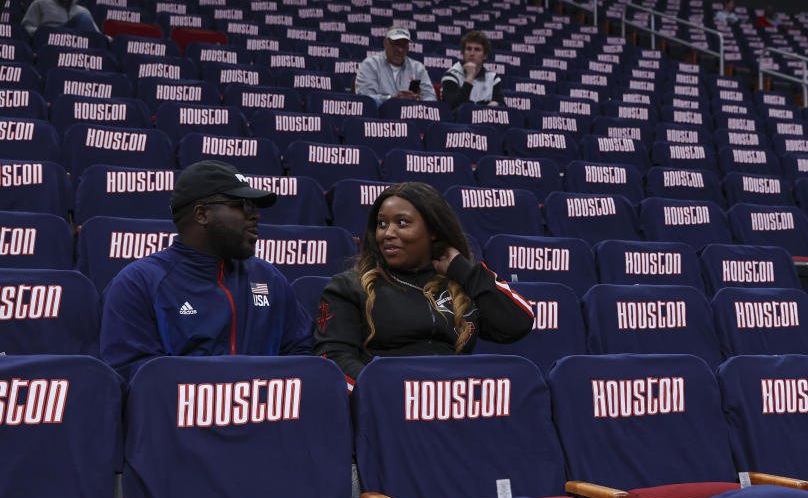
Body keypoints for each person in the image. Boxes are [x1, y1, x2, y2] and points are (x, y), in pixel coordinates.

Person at [100, 160, 313, 380]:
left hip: (264, 412)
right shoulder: (138, 283)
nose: (255, 215)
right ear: (202, 214)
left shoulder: (269, 278)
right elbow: (136, 379)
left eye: (254, 207)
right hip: (181, 413)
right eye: (242, 205)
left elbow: (301, 354)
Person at [313, 182, 534, 383]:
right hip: (387, 408)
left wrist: (464, 270)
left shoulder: (460, 283)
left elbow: (518, 323)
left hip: (454, 405)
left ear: (434, 231)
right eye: (381, 224)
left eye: (402, 223)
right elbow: (333, 358)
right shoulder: (349, 286)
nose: (388, 233)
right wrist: (388, 393)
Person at [354, 25, 436, 104]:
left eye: (403, 46)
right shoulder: (370, 65)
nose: (400, 50)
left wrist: (418, 101)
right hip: (379, 116)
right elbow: (365, 98)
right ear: (385, 44)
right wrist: (393, 99)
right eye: (396, 44)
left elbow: (431, 98)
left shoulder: (418, 68)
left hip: (409, 115)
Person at [440, 30, 505, 111]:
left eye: (477, 49)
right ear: (463, 53)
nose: (472, 53)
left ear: (485, 55)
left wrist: (497, 105)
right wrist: (469, 78)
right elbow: (451, 106)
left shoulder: (493, 79)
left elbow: (503, 107)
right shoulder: (451, 75)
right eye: (468, 49)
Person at [21, 0, 100, 36]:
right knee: (83, 17)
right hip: (53, 42)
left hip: (78, 47)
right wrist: (45, 32)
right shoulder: (40, 3)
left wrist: (107, 39)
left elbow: (98, 36)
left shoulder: (84, 10)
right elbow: (26, 28)